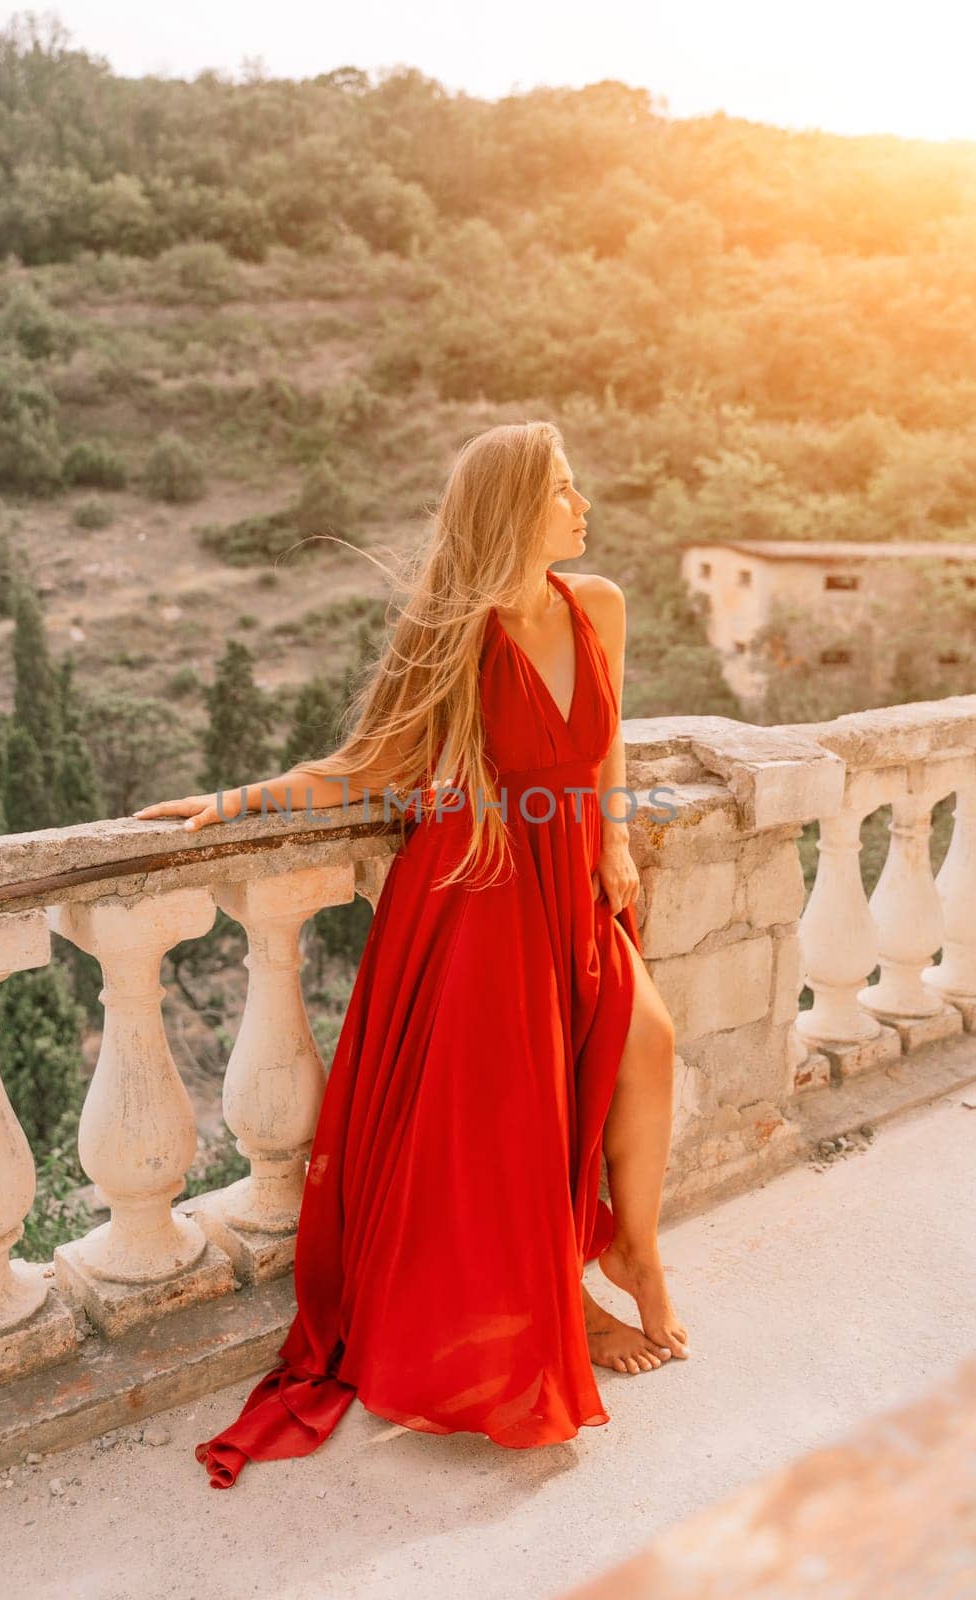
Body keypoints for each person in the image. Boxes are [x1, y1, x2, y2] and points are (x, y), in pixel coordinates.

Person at [133, 420, 688, 1489]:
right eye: (564, 491)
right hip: (479, 901)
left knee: (644, 1044)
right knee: (521, 1116)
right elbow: (360, 765)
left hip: (567, 880)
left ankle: (635, 1252)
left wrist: (613, 836)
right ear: (518, 507)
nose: (582, 507)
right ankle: (564, 1299)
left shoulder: (599, 605)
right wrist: (234, 799)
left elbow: (609, 736)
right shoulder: (451, 632)